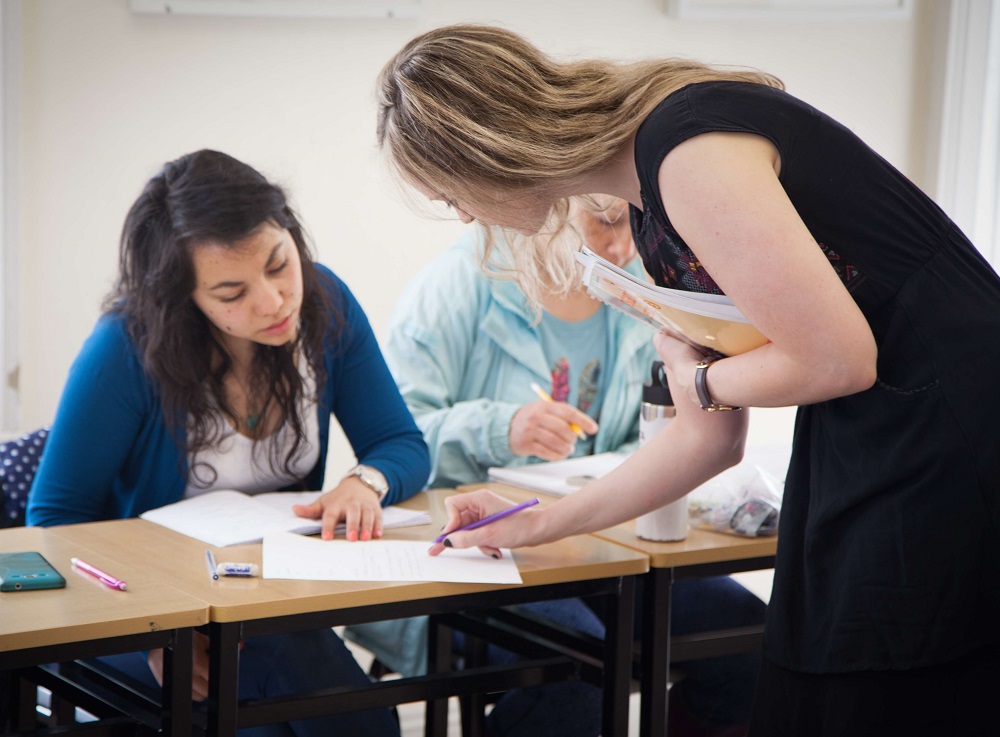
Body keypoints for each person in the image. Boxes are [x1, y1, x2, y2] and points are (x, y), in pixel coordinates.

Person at [374, 24, 1000, 736]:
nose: (462, 215)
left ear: (487, 154)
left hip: (952, 423)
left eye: (450, 193)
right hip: (878, 423)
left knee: (869, 688)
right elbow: (708, 442)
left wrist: (699, 381)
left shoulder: (684, 149)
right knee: (812, 671)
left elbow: (836, 359)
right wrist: (533, 523)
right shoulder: (651, 209)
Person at [27, 149, 431, 737]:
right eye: (230, 293)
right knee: (328, 714)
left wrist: (363, 481)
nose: (272, 301)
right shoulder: (126, 347)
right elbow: (56, 523)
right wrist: (153, 634)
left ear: (293, 235)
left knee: (328, 709)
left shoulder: (328, 305)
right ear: (183, 296)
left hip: (262, 609)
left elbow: (400, 443)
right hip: (135, 621)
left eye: (278, 264)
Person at [346, 197, 766, 737]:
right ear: (547, 199)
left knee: (750, 640)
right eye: (605, 222)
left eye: (634, 221)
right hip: (476, 554)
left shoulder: (636, 288)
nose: (622, 245)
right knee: (580, 670)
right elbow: (397, 441)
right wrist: (502, 426)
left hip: (596, 544)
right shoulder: (455, 286)